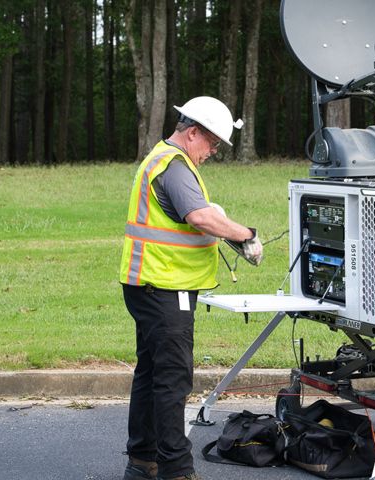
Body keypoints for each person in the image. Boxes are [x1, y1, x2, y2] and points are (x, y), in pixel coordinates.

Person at [119, 96, 263, 480]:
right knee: (172, 380)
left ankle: (142, 460)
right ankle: (176, 470)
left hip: (147, 283)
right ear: (192, 132)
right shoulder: (175, 166)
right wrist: (246, 235)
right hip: (166, 287)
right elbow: (199, 216)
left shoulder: (161, 157)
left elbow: (193, 214)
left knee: (150, 375)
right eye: (212, 142)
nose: (214, 150)